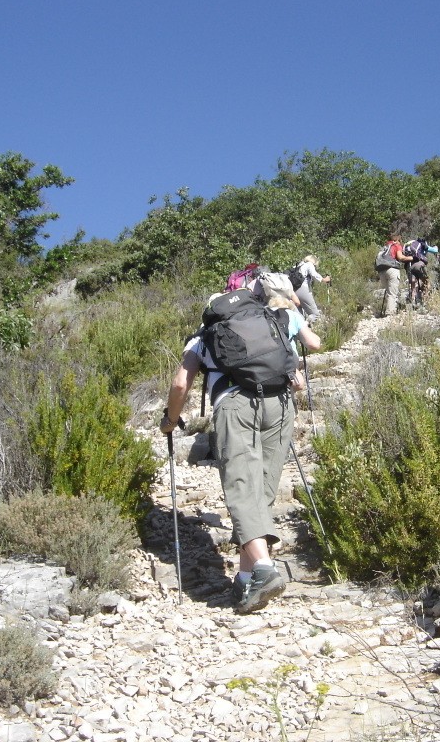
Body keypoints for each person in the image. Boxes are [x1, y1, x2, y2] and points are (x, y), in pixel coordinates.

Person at [159, 293, 321, 614]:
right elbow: (298, 369)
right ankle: (246, 577)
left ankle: (263, 568)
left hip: (235, 405)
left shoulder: (203, 336)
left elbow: (181, 385)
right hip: (281, 402)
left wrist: (170, 420)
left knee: (242, 485)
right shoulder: (272, 318)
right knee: (261, 489)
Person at [378, 228, 413, 317]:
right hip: (392, 270)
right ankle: (390, 314)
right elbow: (401, 257)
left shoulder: (386, 245)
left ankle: (388, 311)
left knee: (389, 292)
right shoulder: (397, 245)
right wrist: (412, 258)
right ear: (398, 237)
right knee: (392, 293)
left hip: (381, 270)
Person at [293, 254, 331, 322]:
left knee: (300, 314)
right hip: (303, 289)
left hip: (294, 290)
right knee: (315, 314)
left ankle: (300, 329)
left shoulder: (300, 264)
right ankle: (306, 326)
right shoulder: (309, 264)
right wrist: (324, 279)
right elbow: (314, 274)